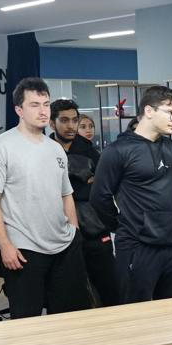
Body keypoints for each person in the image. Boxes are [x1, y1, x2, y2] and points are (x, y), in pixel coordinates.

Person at [0, 79, 89, 320]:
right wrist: (5, 244)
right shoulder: (0, 147)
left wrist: (74, 232)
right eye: (34, 105)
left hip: (64, 245)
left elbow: (66, 194)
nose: (42, 111)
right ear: (19, 109)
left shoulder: (55, 149)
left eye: (46, 104)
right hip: (24, 248)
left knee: (70, 318)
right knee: (27, 321)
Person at [92, 86, 172, 303]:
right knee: (135, 310)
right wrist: (124, 225)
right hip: (137, 245)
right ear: (149, 111)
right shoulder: (118, 150)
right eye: (170, 112)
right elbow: (99, 198)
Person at [50, 99, 120, 307]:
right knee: (70, 295)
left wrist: (73, 188)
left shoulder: (89, 151)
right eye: (64, 120)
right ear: (52, 124)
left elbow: (102, 188)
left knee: (110, 289)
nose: (71, 125)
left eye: (74, 120)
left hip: (94, 228)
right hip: (58, 231)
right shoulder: (43, 149)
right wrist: (82, 183)